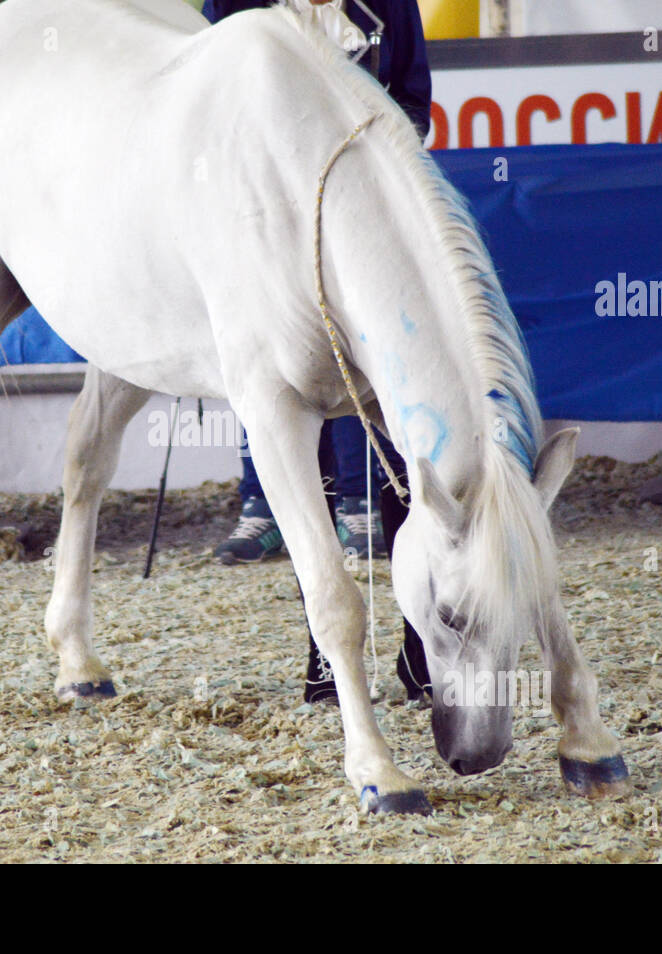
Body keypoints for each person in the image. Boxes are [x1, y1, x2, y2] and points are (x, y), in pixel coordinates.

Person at [202, 0, 433, 705]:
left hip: (374, 239)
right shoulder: (234, 5)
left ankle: (421, 648)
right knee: (298, 440)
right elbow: (212, 113)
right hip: (274, 246)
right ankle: (327, 654)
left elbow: (415, 105)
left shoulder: (389, 2)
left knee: (408, 448)